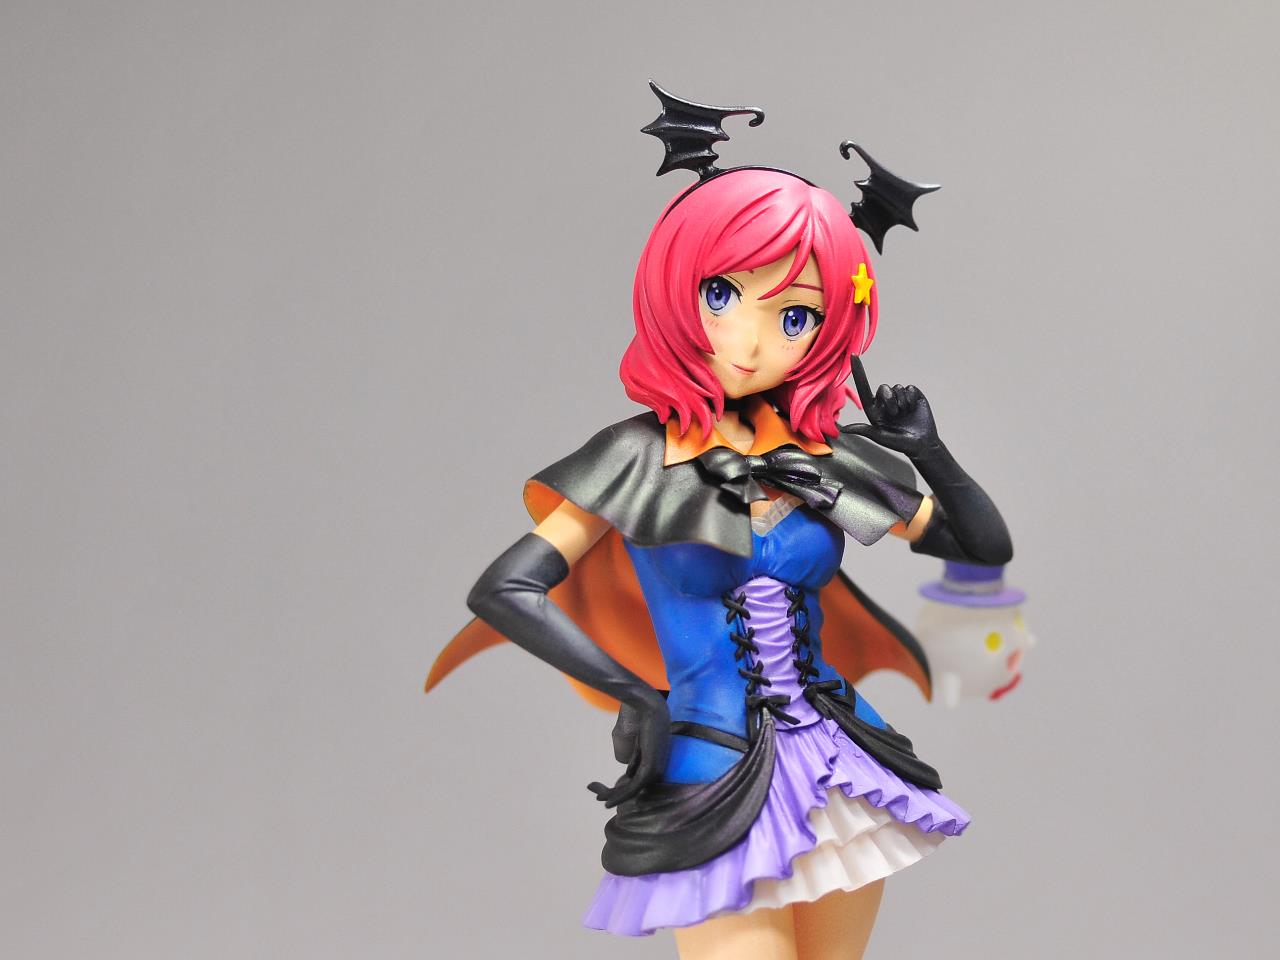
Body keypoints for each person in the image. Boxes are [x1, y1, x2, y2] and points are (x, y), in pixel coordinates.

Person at [427, 89, 1012, 960]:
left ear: (828, 331)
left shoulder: (823, 457)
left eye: (795, 316)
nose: (750, 341)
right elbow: (505, 588)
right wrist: (636, 694)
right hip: (709, 767)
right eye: (723, 294)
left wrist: (929, 451)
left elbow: (982, 551)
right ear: (678, 287)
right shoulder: (637, 456)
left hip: (840, 763)